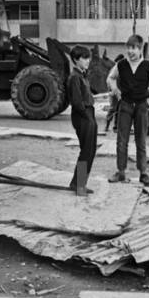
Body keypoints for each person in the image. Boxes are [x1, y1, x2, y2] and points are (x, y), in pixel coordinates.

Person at [106, 35, 149, 186]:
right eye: (129, 48)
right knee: (121, 141)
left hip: (141, 106)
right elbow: (110, 78)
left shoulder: (148, 65)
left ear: (140, 49)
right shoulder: (121, 64)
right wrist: (116, 91)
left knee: (141, 140)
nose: (130, 51)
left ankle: (143, 173)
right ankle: (120, 172)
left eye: (134, 48)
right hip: (125, 105)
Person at [67, 45, 97, 195]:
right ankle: (78, 186)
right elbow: (77, 103)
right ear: (75, 60)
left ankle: (79, 183)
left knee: (90, 151)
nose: (88, 61)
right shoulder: (75, 77)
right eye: (84, 58)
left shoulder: (82, 75)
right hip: (83, 116)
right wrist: (88, 118)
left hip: (88, 114)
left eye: (88, 57)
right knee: (86, 151)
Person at [104, 53, 123, 133]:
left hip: (119, 93)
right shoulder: (115, 69)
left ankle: (116, 127)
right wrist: (111, 90)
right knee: (113, 109)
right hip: (114, 93)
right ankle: (107, 126)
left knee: (118, 110)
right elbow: (108, 80)